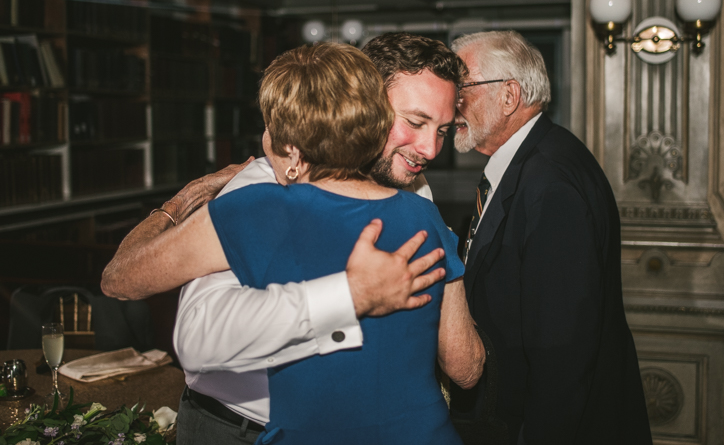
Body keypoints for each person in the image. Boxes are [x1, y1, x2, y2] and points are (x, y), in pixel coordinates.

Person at [102, 40, 482, 443]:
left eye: (442, 130)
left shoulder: (416, 196)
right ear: (364, 104)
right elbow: (192, 332)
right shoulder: (259, 192)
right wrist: (348, 296)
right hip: (234, 425)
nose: (431, 149)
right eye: (415, 122)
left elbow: (460, 360)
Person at [447, 31, 652, 444]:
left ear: (509, 96)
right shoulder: (536, 160)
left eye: (461, 89)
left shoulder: (550, 182)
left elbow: (562, 354)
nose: (452, 106)